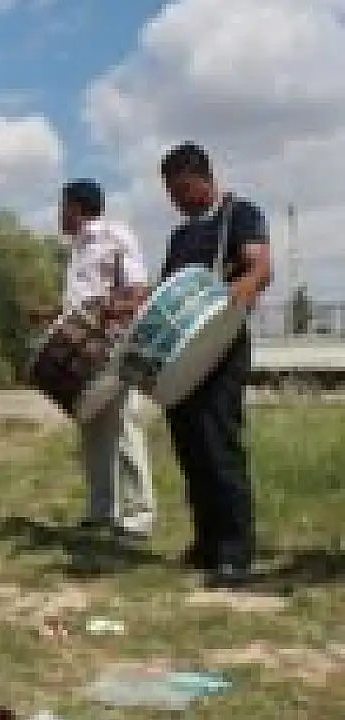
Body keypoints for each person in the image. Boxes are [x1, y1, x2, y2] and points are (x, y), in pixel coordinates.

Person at [157, 142, 271, 587]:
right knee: (190, 447)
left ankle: (235, 551)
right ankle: (206, 542)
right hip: (180, 354)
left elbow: (260, 269)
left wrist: (236, 294)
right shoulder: (180, 237)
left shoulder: (239, 215)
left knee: (218, 445)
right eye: (171, 193)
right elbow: (166, 293)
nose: (177, 201)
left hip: (221, 348)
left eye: (182, 190)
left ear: (204, 178)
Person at [56, 179, 155, 538]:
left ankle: (139, 514)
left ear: (76, 208)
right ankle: (101, 511)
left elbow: (139, 292)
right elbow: (82, 303)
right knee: (93, 429)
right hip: (84, 349)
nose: (59, 215)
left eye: (62, 207)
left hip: (114, 345)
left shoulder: (115, 236)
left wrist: (110, 312)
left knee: (123, 426)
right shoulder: (77, 248)